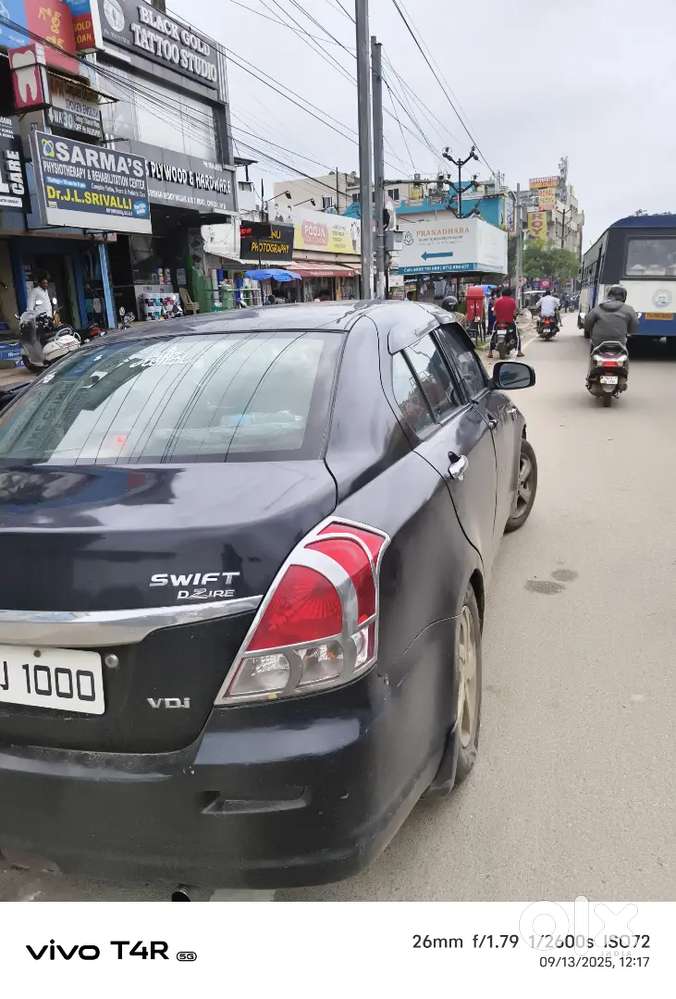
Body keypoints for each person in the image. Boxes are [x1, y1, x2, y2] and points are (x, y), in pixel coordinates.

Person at [489, 287, 523, 357]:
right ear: (510, 294)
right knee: (517, 335)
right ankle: (519, 351)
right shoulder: (512, 301)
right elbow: (514, 314)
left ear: (502, 293)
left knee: (493, 334)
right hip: (509, 322)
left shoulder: (497, 301)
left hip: (498, 322)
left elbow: (494, 314)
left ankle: (490, 352)